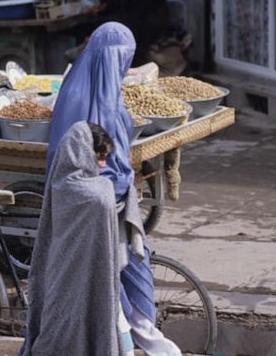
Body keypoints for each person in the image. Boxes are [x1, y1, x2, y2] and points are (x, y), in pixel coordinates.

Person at [46, 22, 182, 356]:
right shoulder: (80, 98)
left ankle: (145, 339)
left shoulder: (103, 90)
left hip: (114, 199)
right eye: (119, 59)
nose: (121, 67)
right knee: (107, 285)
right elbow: (76, 162)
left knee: (131, 269)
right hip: (93, 206)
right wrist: (109, 188)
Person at [22, 121, 135, 356]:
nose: (103, 165)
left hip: (59, 274)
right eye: (99, 156)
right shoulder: (99, 192)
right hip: (83, 274)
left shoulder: (60, 183)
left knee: (57, 324)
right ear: (83, 152)